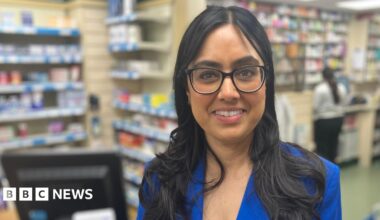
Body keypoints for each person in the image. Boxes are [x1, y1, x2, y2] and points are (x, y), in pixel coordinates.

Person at [138, 6, 341, 220]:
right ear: (186, 89)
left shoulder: (317, 182)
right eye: (207, 75)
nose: (228, 93)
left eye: (246, 72)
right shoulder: (159, 179)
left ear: (266, 82)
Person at [313, 67, 347, 163]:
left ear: (323, 76)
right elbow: (344, 103)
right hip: (338, 120)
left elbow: (315, 106)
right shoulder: (342, 87)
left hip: (324, 121)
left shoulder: (320, 89)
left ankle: (324, 171)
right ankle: (333, 170)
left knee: (322, 148)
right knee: (334, 145)